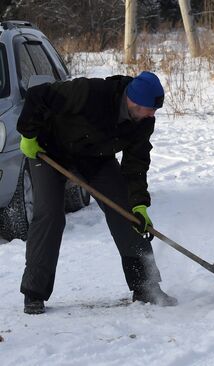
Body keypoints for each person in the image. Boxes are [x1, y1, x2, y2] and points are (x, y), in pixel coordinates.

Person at [17, 71, 177, 314]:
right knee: (50, 215)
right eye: (149, 109)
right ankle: (34, 292)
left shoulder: (143, 122)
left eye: (155, 110)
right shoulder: (91, 92)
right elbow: (39, 95)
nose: (152, 115)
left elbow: (136, 164)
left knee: (126, 213)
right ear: (132, 100)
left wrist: (139, 204)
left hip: (95, 158)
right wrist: (28, 134)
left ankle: (146, 286)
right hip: (48, 151)